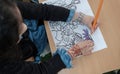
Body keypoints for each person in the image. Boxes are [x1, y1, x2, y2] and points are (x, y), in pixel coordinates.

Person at [0, 0, 98, 74]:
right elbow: (41, 71)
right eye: (19, 31)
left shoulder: (6, 10)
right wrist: (74, 51)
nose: (25, 27)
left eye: (21, 19)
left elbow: (43, 11)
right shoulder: (6, 66)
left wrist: (80, 17)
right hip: (29, 48)